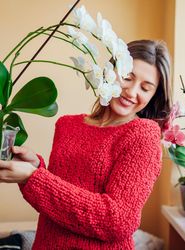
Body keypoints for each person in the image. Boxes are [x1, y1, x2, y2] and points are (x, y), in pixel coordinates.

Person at [0, 39, 172, 249]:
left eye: (145, 88)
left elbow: (117, 221)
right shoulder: (67, 125)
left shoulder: (143, 135)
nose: (131, 92)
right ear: (111, 70)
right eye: (127, 77)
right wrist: (35, 168)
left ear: (154, 97)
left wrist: (33, 177)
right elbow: (54, 203)